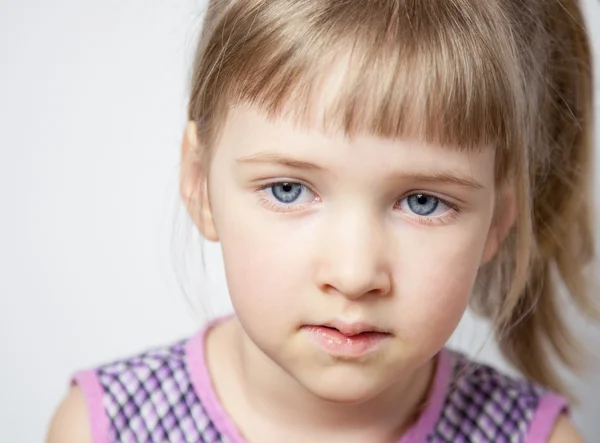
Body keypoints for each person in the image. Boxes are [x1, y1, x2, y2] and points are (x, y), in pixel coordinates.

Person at [47, 0, 598, 441]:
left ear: (498, 222)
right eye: (289, 189)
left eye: (423, 202)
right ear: (200, 185)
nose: (355, 274)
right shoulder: (104, 428)